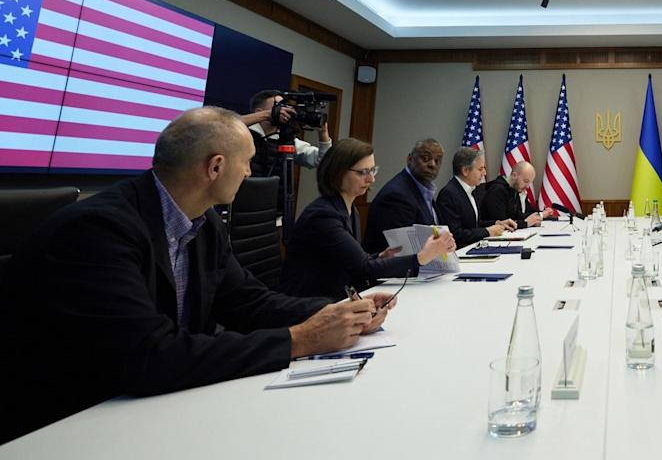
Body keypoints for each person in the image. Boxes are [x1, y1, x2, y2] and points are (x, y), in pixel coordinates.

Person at [0, 107, 394, 442]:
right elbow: (150, 355)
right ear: (215, 166)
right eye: (247, 162)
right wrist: (299, 339)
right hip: (67, 421)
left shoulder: (202, 223)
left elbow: (248, 301)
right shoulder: (99, 230)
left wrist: (341, 310)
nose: (248, 172)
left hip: (152, 403)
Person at [279, 138, 457, 300]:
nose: (371, 179)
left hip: (333, 299)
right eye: (363, 172)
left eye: (372, 170)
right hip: (307, 305)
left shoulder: (350, 209)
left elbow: (353, 260)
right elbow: (363, 269)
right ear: (338, 172)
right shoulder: (323, 216)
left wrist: (379, 256)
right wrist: (421, 257)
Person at [363, 139, 444, 254]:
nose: (432, 164)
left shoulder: (424, 190)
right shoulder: (396, 196)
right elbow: (401, 251)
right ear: (409, 159)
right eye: (426, 158)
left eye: (437, 160)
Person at [437, 147, 517, 246]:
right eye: (480, 169)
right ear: (465, 170)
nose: (484, 173)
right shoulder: (448, 195)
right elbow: (455, 234)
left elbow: (475, 224)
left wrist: (497, 223)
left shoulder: (472, 190)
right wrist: (487, 231)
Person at [242, 89, 332, 172]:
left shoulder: (287, 140)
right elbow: (228, 123)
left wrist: (323, 132)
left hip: (274, 188)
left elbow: (323, 161)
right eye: (278, 106)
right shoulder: (242, 133)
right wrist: (267, 115)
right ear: (259, 112)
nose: (283, 110)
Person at [479, 161, 555, 228]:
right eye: (526, 181)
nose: (527, 186)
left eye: (529, 183)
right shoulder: (497, 190)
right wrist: (526, 223)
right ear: (514, 175)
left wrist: (539, 215)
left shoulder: (514, 190)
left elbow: (518, 215)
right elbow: (502, 223)